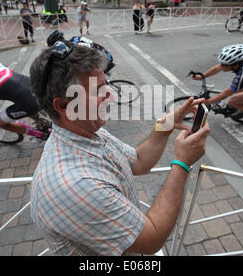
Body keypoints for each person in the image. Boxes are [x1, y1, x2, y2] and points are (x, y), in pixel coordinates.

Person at [29, 39, 210, 256]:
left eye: (107, 84)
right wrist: (182, 163)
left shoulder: (90, 133)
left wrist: (166, 125)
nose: (112, 95)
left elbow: (139, 161)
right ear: (64, 106)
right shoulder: (76, 184)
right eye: (98, 90)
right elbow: (151, 240)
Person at [46, 30, 115, 75]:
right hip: (107, 55)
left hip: (104, 62)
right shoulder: (75, 39)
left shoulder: (73, 50)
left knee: (90, 87)